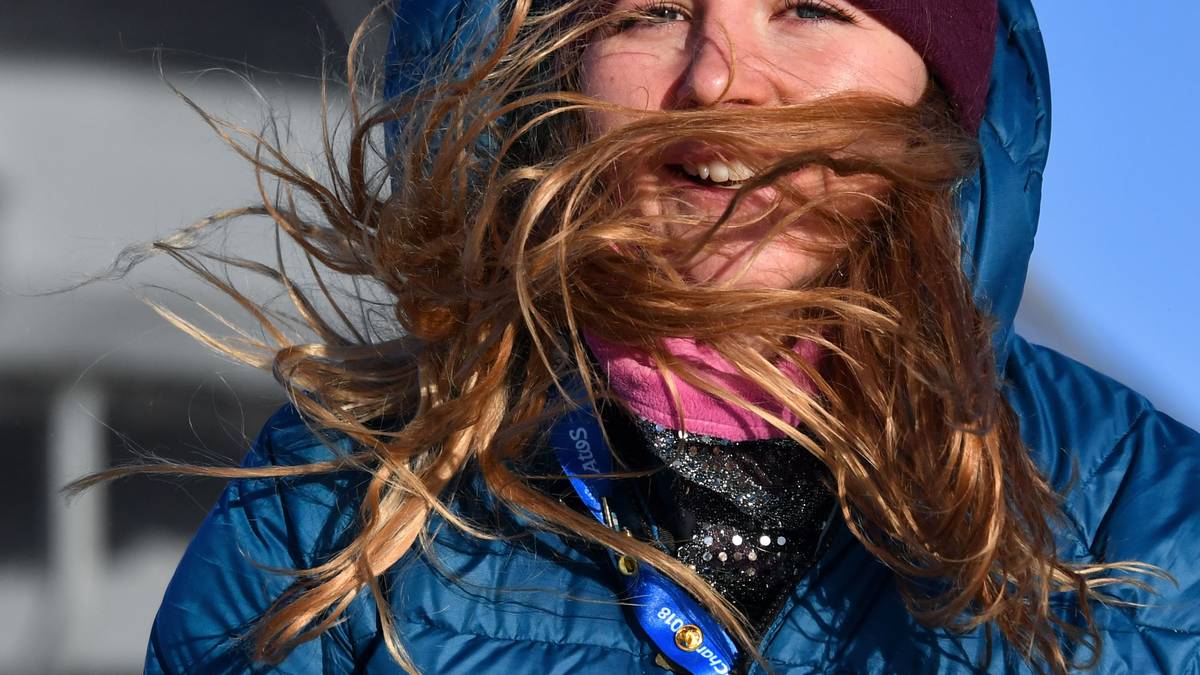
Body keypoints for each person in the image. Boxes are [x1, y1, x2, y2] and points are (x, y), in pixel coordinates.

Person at [121, 0, 1199, 673]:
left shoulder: (1146, 513)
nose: (718, 80)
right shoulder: (344, 500)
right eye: (651, 12)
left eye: (810, 8)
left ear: (941, 93)